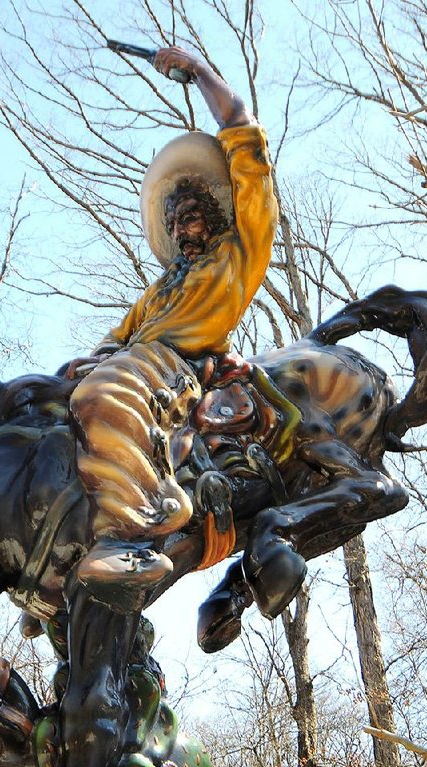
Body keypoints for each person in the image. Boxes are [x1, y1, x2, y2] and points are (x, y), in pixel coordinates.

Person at [69, 45, 278, 598]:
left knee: (105, 393)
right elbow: (117, 339)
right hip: (135, 360)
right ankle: (52, 556)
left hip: (177, 370)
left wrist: (204, 75)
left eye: (192, 215)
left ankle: (133, 535)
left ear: (212, 217)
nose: (183, 227)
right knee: (56, 402)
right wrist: (86, 360)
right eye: (175, 219)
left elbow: (245, 142)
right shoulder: (158, 291)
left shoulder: (238, 257)